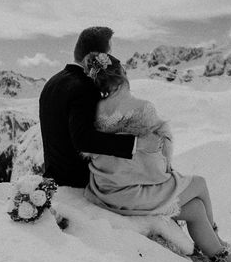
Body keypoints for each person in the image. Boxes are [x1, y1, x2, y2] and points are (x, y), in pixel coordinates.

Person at [81, 51, 231, 262]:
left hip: (104, 190)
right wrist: (166, 174)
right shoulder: (142, 107)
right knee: (199, 183)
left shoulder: (92, 109)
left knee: (195, 209)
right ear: (123, 74)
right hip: (129, 194)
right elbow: (155, 167)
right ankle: (219, 240)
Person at [39, 27, 160, 188]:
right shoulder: (85, 87)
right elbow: (84, 140)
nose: (111, 58)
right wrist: (137, 143)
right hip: (78, 181)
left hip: (55, 176)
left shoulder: (53, 81)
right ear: (95, 56)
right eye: (108, 53)